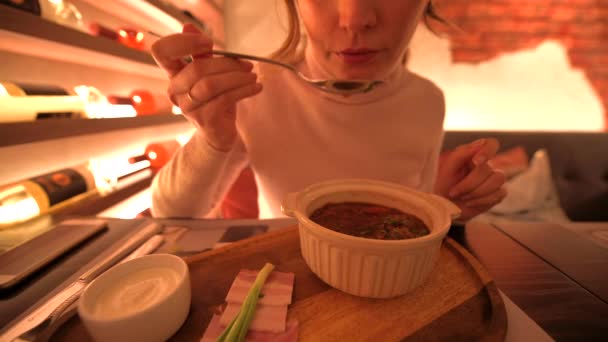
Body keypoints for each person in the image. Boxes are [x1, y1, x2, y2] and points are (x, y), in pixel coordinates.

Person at [149, 0, 507, 221]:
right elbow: (172, 215)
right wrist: (211, 139)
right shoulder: (256, 90)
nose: (354, 18)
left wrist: (449, 205)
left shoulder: (428, 101)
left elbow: (411, 216)